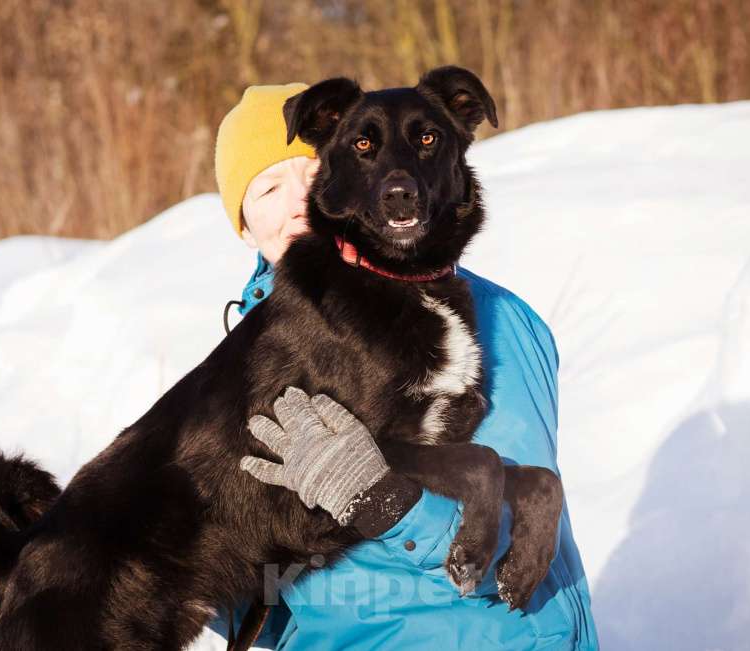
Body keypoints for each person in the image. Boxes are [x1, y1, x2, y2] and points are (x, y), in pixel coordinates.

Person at [209, 83, 599, 650]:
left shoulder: (487, 319)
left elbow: (521, 546)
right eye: (269, 188)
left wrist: (383, 499)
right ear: (244, 226)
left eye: (312, 173)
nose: (299, 200)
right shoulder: (260, 348)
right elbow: (273, 598)